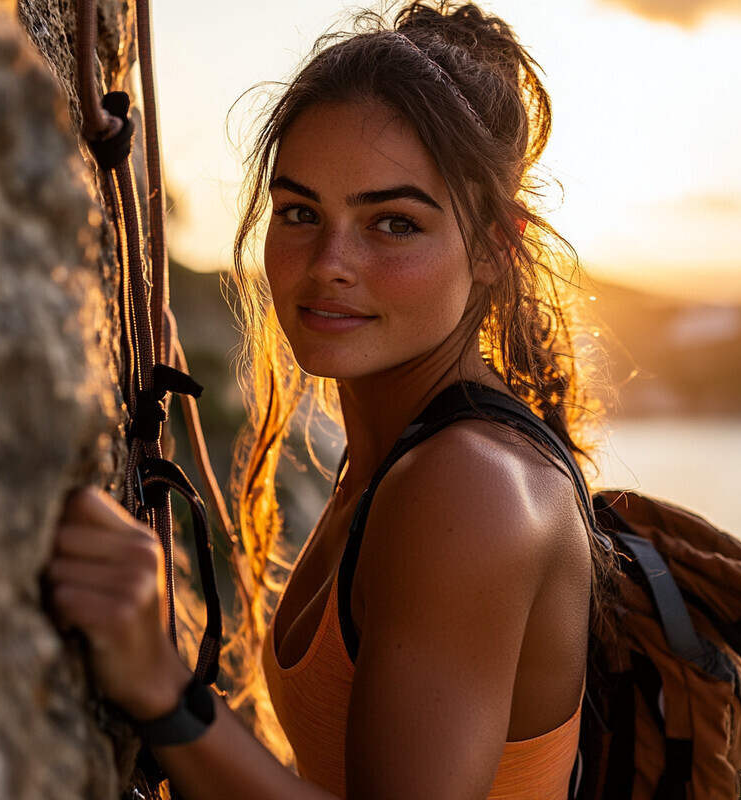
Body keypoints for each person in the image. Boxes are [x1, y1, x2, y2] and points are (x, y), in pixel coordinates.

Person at [47, 2, 612, 798]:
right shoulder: (399, 448)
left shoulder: (469, 488)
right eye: (301, 213)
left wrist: (162, 691)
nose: (330, 264)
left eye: (393, 222)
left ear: (491, 248)